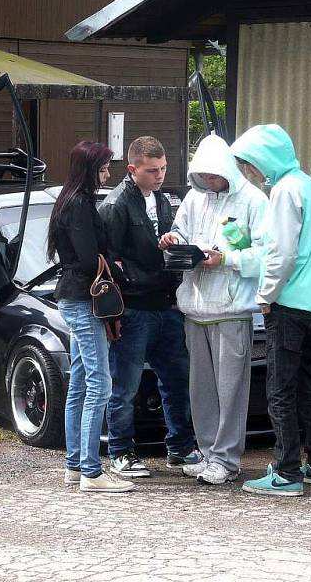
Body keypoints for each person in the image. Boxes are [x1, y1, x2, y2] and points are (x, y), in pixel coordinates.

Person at [232, 124, 311, 497]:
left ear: (263, 160)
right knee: (305, 388)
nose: (249, 173)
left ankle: (286, 471)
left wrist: (265, 294)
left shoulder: (284, 192)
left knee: (280, 390)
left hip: (288, 305)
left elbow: (280, 253)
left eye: (249, 165)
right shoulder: (306, 184)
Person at [159, 134, 268, 484]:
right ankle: (208, 453)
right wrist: (173, 241)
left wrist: (227, 259)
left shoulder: (253, 200)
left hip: (233, 308)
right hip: (195, 307)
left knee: (231, 389)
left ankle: (227, 458)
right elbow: (180, 230)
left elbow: (266, 254)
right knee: (201, 388)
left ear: (227, 170)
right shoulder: (194, 197)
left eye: (213, 175)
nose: (207, 181)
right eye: (201, 175)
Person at [99, 136, 199, 478]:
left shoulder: (163, 199)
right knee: (124, 384)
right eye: (152, 170)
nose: (159, 175)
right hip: (136, 306)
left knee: (175, 379)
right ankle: (121, 451)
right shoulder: (116, 205)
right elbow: (109, 260)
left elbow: (169, 241)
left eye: (164, 168)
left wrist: (172, 243)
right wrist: (127, 294)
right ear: (132, 170)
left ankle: (180, 447)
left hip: (166, 303)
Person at [48, 141, 133, 493]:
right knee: (100, 383)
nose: (107, 174)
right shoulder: (80, 204)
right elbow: (86, 259)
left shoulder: (69, 200)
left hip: (75, 298)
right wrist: (114, 265)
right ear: (88, 170)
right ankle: (90, 472)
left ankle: (75, 465)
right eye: (102, 169)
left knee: (82, 381)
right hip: (84, 300)